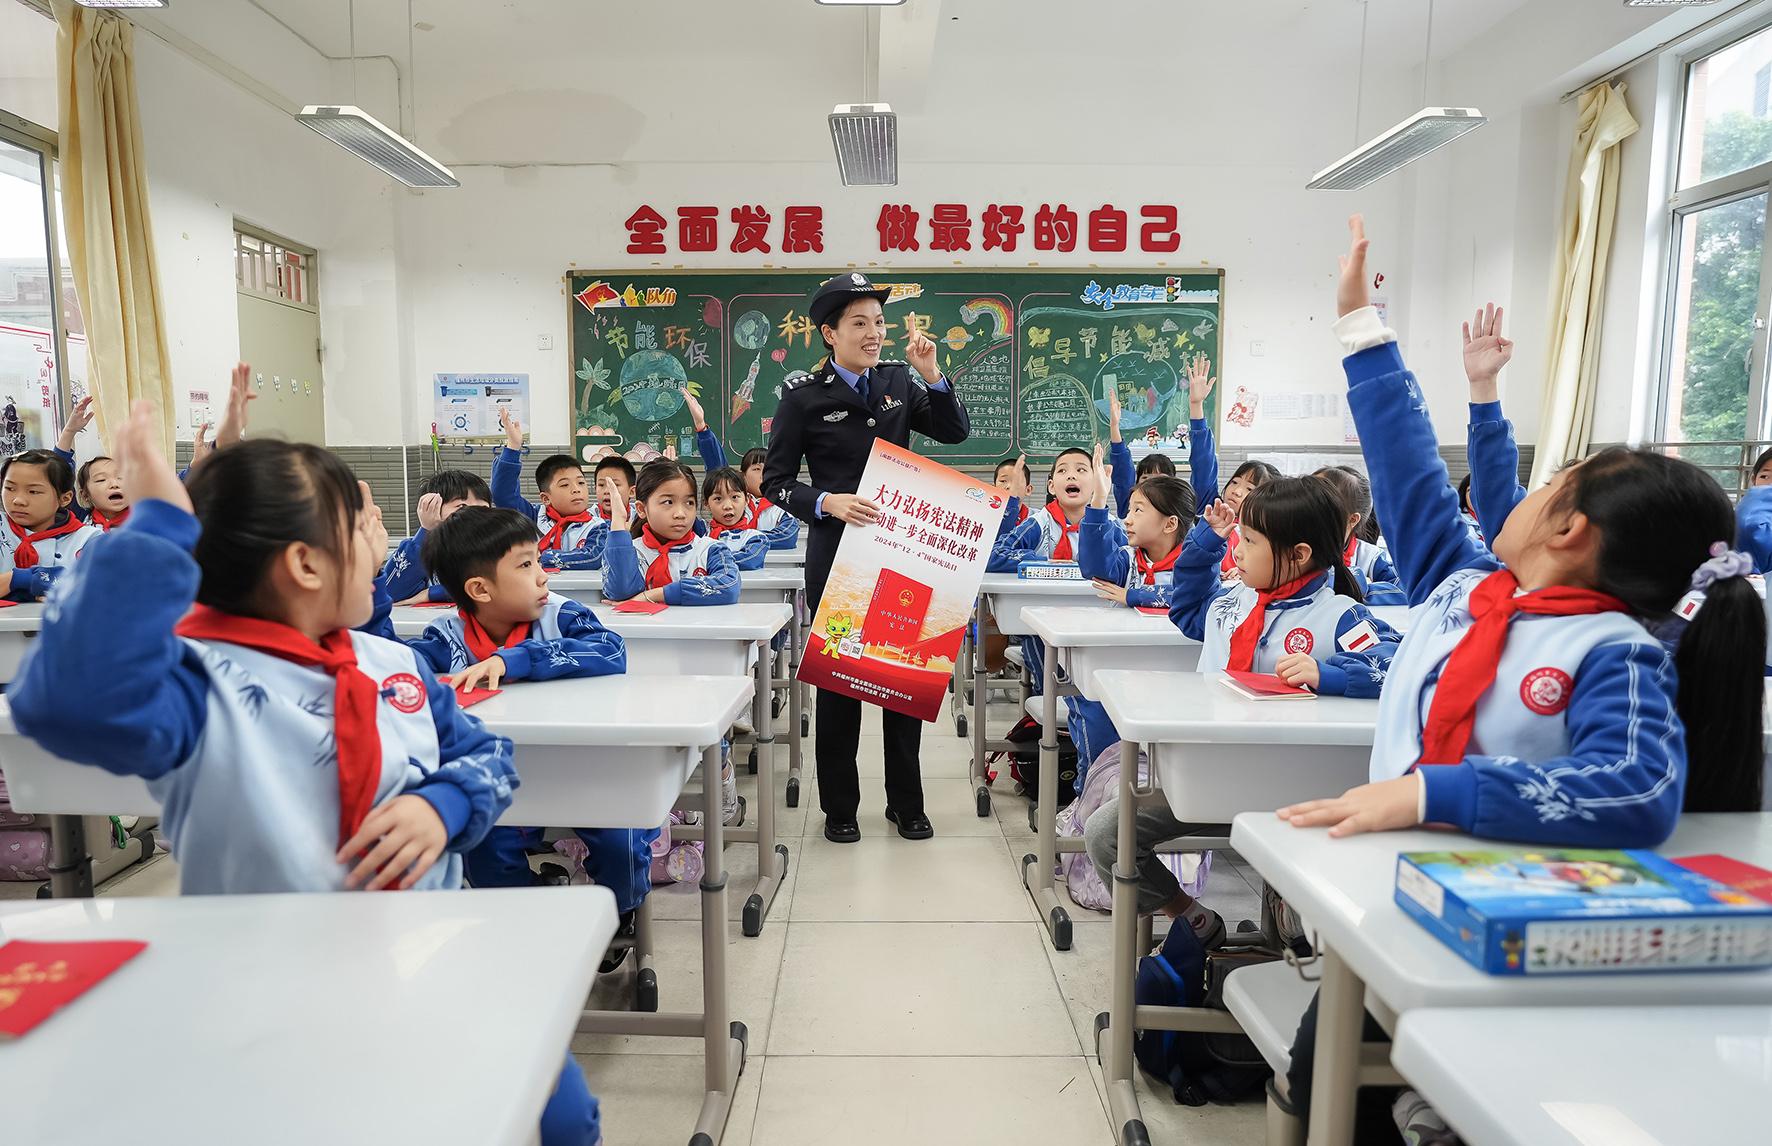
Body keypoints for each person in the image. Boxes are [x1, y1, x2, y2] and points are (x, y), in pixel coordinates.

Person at [1276, 216, 1770, 1139]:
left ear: (1569, 530)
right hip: (1400, 900)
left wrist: (1433, 791)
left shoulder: (1613, 650)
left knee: (1386, 1093)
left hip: (1518, 936)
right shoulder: (1463, 588)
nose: (1514, 492)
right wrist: (1362, 332)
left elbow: (1637, 789)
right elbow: (1409, 470)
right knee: (1325, 1085)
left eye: (1550, 482)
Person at [7, 406, 604, 1145]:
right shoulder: (200, 683)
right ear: (306, 565)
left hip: (426, 946)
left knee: (561, 1114)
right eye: (360, 525)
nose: (381, 537)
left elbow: (486, 757)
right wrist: (159, 526)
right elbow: (64, 703)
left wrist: (444, 805)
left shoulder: (393, 664)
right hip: (263, 982)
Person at [1084, 475, 1399, 948]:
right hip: (1209, 781)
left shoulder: (1338, 616)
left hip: (1293, 790)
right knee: (1107, 835)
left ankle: (1289, 936)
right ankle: (1192, 919)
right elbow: (1186, 608)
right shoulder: (1232, 602)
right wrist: (1206, 544)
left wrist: (1329, 674)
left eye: (1250, 542)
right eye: (1239, 539)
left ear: (1299, 554)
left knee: (1303, 918)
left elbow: (1395, 665)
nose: (1239, 551)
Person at [761, 271, 970, 844]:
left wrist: (933, 375)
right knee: (840, 687)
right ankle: (840, 808)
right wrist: (825, 501)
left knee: (903, 680)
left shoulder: (899, 379)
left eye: (879, 322)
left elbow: (954, 431)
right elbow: (775, 481)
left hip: (901, 555)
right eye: (860, 323)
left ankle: (906, 804)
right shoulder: (802, 396)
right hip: (839, 556)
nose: (874, 333)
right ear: (830, 333)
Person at [406, 505, 647, 971]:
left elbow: (611, 651)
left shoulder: (561, 615)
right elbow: (402, 665)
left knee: (621, 842)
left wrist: (515, 660)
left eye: (538, 560)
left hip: (586, 771)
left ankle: (619, 913)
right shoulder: (446, 636)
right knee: (484, 849)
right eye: (525, 565)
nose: (542, 575)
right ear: (480, 590)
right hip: (502, 778)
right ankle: (532, 906)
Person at [990, 445, 1122, 699]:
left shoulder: (1112, 526)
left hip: (1096, 619)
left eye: (1081, 470)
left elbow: (1132, 565)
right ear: (1051, 486)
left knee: (1094, 676)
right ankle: (1050, 703)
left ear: (1097, 482)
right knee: (1040, 643)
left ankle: (1087, 706)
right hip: (1043, 619)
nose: (1071, 475)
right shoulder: (1039, 523)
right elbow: (994, 554)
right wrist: (1043, 562)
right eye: (1062, 471)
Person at [601, 460, 739, 606]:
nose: (680, 514)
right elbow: (620, 593)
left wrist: (653, 595)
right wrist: (618, 521)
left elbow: (729, 587)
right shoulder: (633, 552)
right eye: (668, 502)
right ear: (641, 509)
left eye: (689, 503)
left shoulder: (710, 550)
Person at [1109, 353, 1217, 518]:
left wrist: (1196, 404)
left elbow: (1204, 466)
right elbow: (1122, 472)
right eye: (1146, 479)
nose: (1153, 485)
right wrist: (1114, 427)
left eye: (1161, 479)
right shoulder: (1130, 509)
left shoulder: (1185, 512)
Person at [493, 409, 603, 570]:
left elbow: (592, 557)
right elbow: (503, 495)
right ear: (546, 498)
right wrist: (513, 448)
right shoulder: (533, 517)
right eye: (565, 485)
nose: (576, 490)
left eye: (581, 483)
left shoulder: (597, 526)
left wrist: (535, 557)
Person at [381, 468, 493, 604]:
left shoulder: (500, 544)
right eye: (461, 506)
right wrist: (426, 530)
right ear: (433, 509)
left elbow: (498, 586)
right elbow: (390, 593)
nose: (475, 513)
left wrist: (431, 593)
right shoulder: (422, 548)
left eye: (483, 507)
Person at [1, 448, 100, 601]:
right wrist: (20, 579)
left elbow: (106, 588)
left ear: (65, 498)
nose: (18, 500)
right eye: (10, 488)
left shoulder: (88, 540)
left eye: (33, 491)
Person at [1313, 465, 1406, 605]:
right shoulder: (1294, 549)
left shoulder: (1368, 555)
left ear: (1352, 520)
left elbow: (1406, 589)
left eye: (1318, 503)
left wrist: (1359, 589)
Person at [702, 467, 771, 570]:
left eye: (734, 497)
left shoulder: (756, 538)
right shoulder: (702, 534)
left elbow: (749, 560)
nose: (727, 506)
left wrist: (707, 559)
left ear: (746, 500)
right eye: (718, 499)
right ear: (706, 504)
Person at [991, 454, 1033, 538]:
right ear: (993, 488)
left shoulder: (1037, 519)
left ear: (1028, 490)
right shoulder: (984, 516)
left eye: (1016, 481)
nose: (1009, 486)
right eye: (1003, 481)